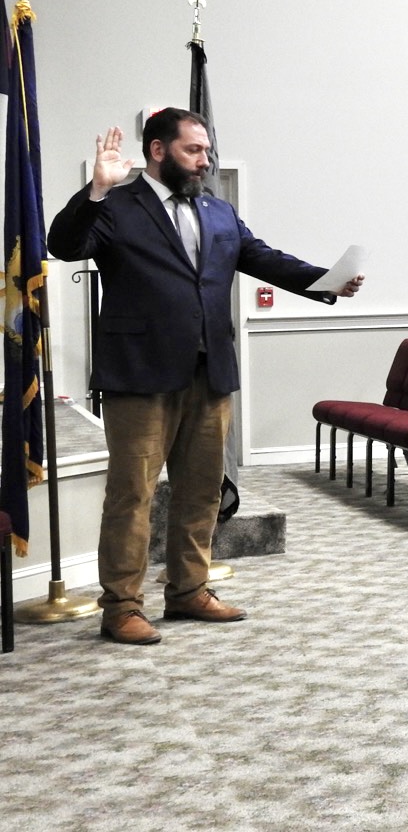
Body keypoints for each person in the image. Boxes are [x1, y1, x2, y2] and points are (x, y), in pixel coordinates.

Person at [48, 109, 365, 646]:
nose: (204, 160)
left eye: (207, 151)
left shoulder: (218, 211)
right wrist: (95, 191)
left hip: (209, 370)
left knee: (202, 492)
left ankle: (189, 590)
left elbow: (262, 258)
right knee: (133, 495)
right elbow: (64, 244)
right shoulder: (117, 206)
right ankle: (121, 605)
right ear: (158, 151)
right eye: (193, 150)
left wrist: (326, 282)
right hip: (140, 375)